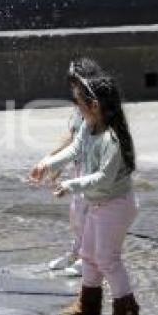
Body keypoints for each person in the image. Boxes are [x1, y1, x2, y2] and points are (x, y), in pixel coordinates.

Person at [29, 73, 140, 315]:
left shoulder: (112, 139)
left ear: (95, 106)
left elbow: (103, 177)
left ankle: (126, 310)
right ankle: (88, 304)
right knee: (88, 254)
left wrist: (70, 185)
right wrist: (47, 164)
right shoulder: (88, 128)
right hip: (100, 204)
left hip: (117, 204)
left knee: (107, 258)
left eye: (78, 101)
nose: (75, 106)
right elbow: (74, 150)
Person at [46, 58, 104, 277]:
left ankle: (90, 258)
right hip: (82, 167)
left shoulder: (98, 103)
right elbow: (72, 136)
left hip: (97, 167)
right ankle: (78, 251)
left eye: (74, 83)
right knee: (77, 212)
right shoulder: (80, 106)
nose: (72, 89)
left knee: (93, 213)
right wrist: (53, 159)